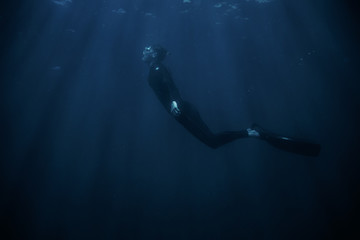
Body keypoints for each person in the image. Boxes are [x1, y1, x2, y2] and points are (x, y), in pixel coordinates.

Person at [142, 45, 321, 156]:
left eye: (147, 50)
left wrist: (175, 102)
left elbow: (170, 85)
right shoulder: (155, 69)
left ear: (155, 55)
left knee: (212, 142)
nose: (144, 51)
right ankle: (251, 132)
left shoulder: (158, 68)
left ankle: (251, 132)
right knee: (212, 142)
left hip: (183, 110)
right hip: (183, 112)